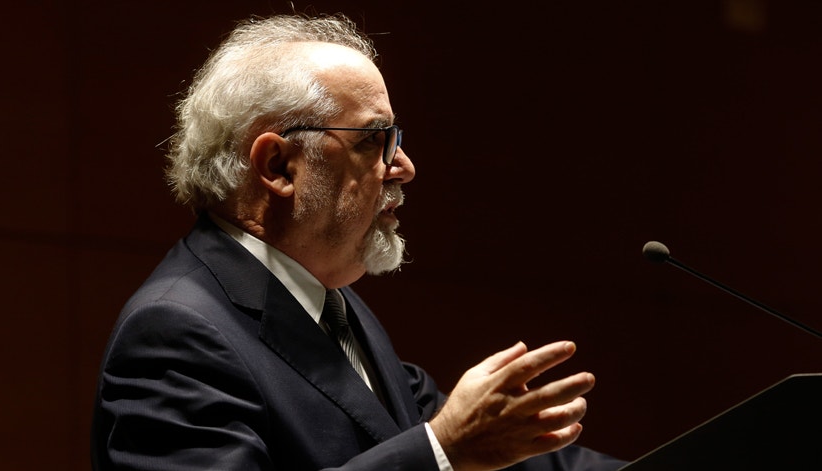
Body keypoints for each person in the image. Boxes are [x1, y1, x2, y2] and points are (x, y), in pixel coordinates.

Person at [91, 12, 627, 471]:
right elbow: (442, 441)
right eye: (374, 139)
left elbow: (483, 440)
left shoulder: (330, 305)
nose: (405, 167)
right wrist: (442, 451)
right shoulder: (173, 333)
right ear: (278, 165)